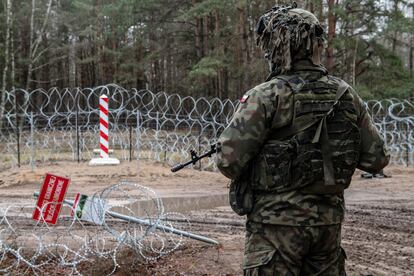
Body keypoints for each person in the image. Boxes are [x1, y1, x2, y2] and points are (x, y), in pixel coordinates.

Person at [216, 3, 390, 276]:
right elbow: (376, 159)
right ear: (314, 44)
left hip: (275, 229)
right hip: (327, 229)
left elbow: (229, 162)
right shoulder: (346, 95)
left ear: (277, 43)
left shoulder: (266, 96)